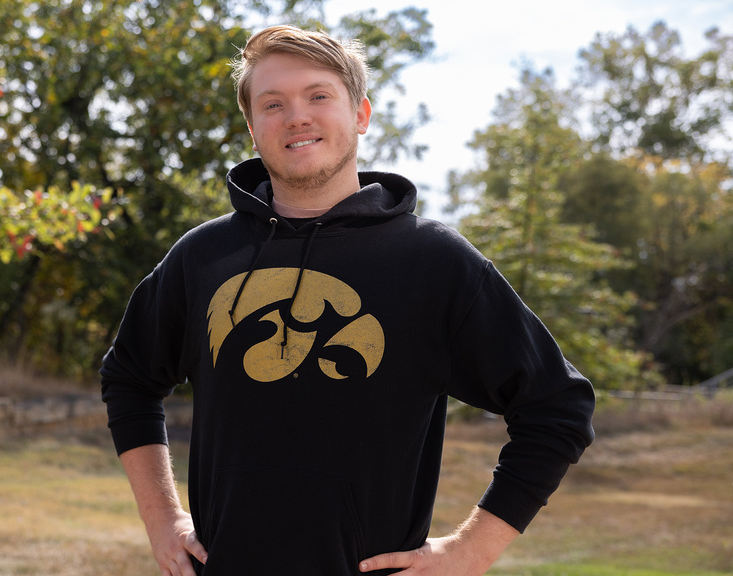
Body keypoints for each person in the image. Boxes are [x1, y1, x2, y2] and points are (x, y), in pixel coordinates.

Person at [100, 25, 595, 576]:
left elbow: (558, 408)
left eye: (318, 96)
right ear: (252, 128)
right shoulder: (203, 258)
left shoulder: (431, 261)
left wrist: (469, 551)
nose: (297, 117)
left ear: (360, 114)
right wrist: (163, 519)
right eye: (273, 104)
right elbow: (130, 379)